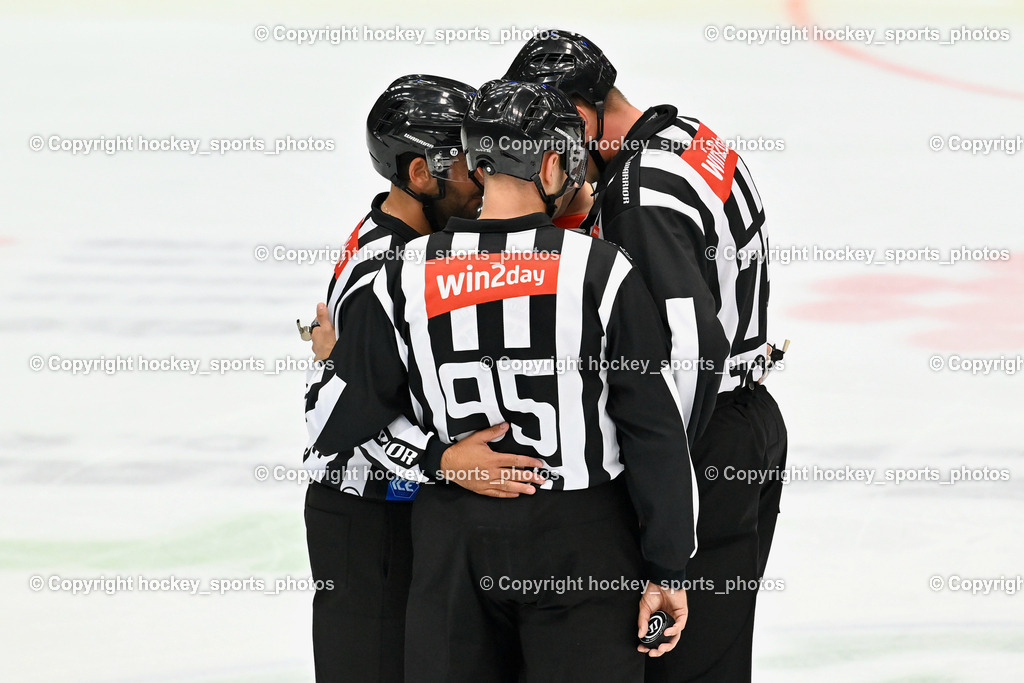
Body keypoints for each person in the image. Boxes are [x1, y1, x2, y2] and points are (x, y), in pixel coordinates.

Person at [314, 79, 696, 682]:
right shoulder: (600, 269)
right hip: (582, 540)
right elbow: (653, 427)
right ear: (550, 163)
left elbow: (333, 421)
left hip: (452, 542)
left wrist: (434, 454)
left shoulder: (402, 274)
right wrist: (669, 568)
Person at [506, 31, 789, 682]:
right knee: (715, 654)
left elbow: (692, 347)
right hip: (751, 420)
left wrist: (667, 488)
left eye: (555, 134)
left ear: (581, 113)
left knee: (680, 663)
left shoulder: (637, 193)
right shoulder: (691, 137)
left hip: (708, 442)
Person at [301, 74, 544, 683]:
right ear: (418, 174)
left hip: (410, 516)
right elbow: (332, 421)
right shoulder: (384, 264)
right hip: (369, 523)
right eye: (466, 161)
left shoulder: (423, 244)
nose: (485, 173)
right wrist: (441, 460)